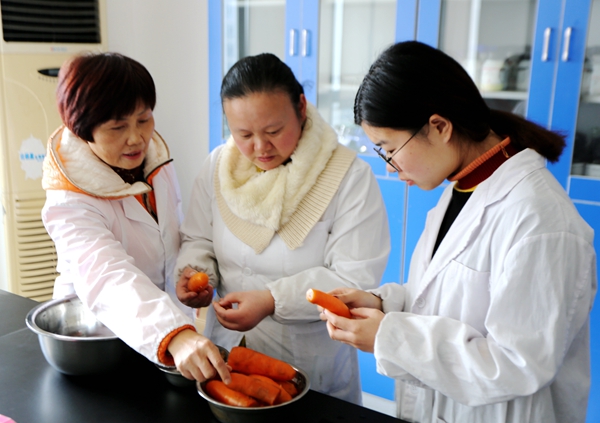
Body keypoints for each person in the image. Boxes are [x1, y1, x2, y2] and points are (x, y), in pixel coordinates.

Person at [319, 41, 597, 423]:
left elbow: (516, 365)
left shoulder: (541, 222)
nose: (390, 167)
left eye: (388, 149)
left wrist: (390, 337)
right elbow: (441, 299)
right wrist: (382, 306)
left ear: (439, 127)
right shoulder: (462, 187)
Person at [175, 53, 390, 403]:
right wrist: (196, 273)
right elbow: (198, 237)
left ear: (301, 108)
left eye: (273, 131)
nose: (260, 147)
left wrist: (272, 300)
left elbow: (355, 277)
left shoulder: (348, 176)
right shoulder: (218, 166)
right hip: (227, 354)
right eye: (244, 134)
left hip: (309, 363)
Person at [41, 52, 230, 383]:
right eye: (118, 127)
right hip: (100, 342)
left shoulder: (153, 161)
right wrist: (173, 332)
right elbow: (106, 275)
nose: (136, 138)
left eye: (144, 119)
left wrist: (186, 277)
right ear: (82, 130)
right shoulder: (69, 199)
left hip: (165, 334)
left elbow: (170, 235)